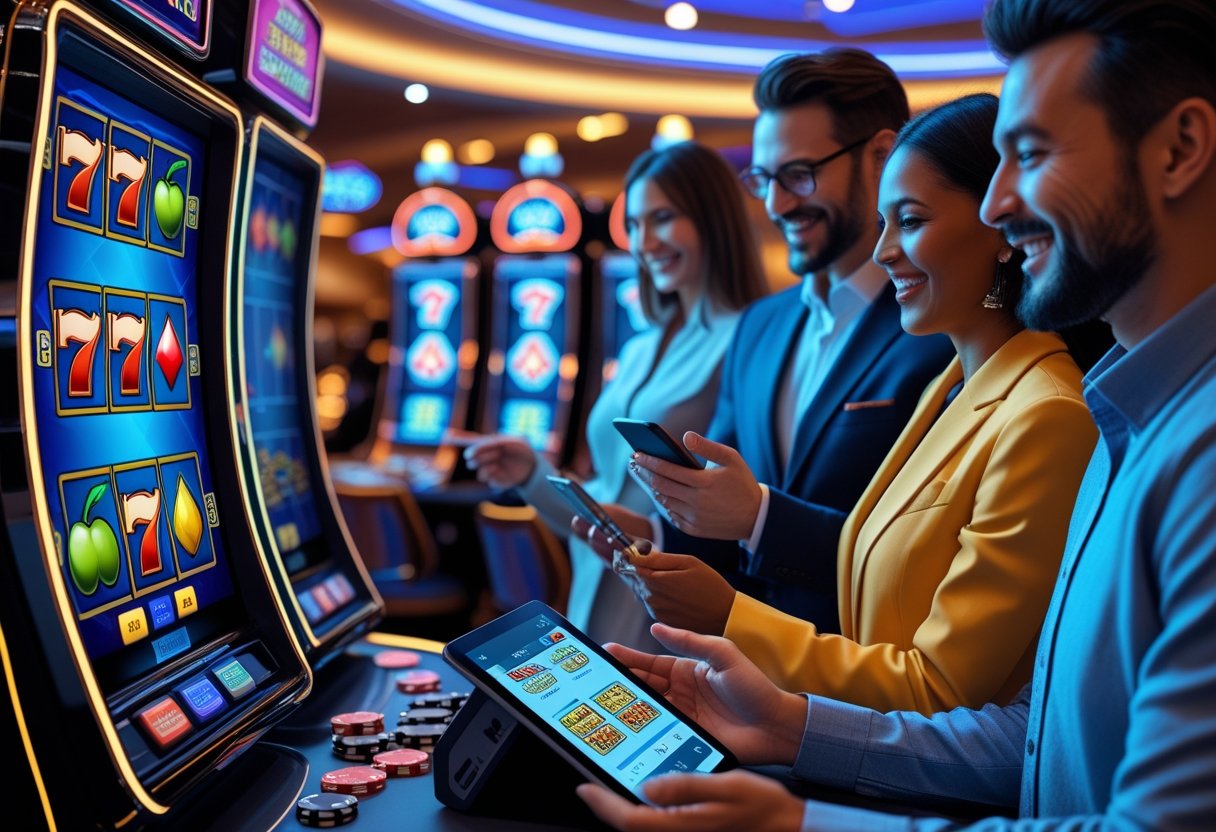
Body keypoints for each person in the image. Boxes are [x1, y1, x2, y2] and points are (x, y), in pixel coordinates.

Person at [577, 0, 1216, 828]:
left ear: (1181, 149)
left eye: (1030, 153)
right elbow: (1038, 742)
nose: (999, 203)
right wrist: (788, 724)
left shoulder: (1104, 424)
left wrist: (804, 822)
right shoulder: (1109, 415)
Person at [587, 93, 1097, 715]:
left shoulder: (1047, 412)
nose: (884, 251)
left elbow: (939, 689)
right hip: (823, 730)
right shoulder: (953, 388)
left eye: (909, 221)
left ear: (1001, 223)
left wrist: (731, 618)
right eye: (884, 223)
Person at [608, 49, 956, 634]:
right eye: (764, 180)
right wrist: (656, 536)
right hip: (749, 676)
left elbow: (926, 556)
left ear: (881, 157)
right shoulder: (760, 326)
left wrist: (761, 517)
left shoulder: (943, 323)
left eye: (799, 175)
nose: (776, 204)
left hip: (876, 684)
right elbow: (726, 515)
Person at [464, 141, 767, 649]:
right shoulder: (641, 344)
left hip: (677, 617)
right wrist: (533, 476)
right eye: (636, 223)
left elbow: (745, 513)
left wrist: (644, 532)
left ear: (714, 219)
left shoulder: (751, 337)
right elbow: (606, 511)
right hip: (597, 594)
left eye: (664, 218)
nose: (645, 241)